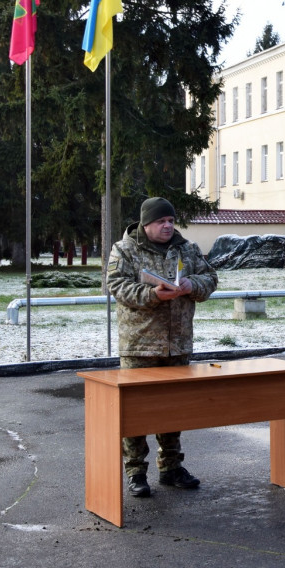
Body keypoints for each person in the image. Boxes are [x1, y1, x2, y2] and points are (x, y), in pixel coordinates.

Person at [106, 197, 218, 498]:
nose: (168, 225)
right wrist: (153, 294)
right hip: (140, 346)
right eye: (161, 221)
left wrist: (191, 286)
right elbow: (117, 286)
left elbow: (210, 277)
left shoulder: (187, 249)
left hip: (177, 344)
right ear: (146, 224)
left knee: (173, 408)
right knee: (135, 413)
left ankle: (171, 468)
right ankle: (136, 472)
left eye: (170, 220)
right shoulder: (125, 249)